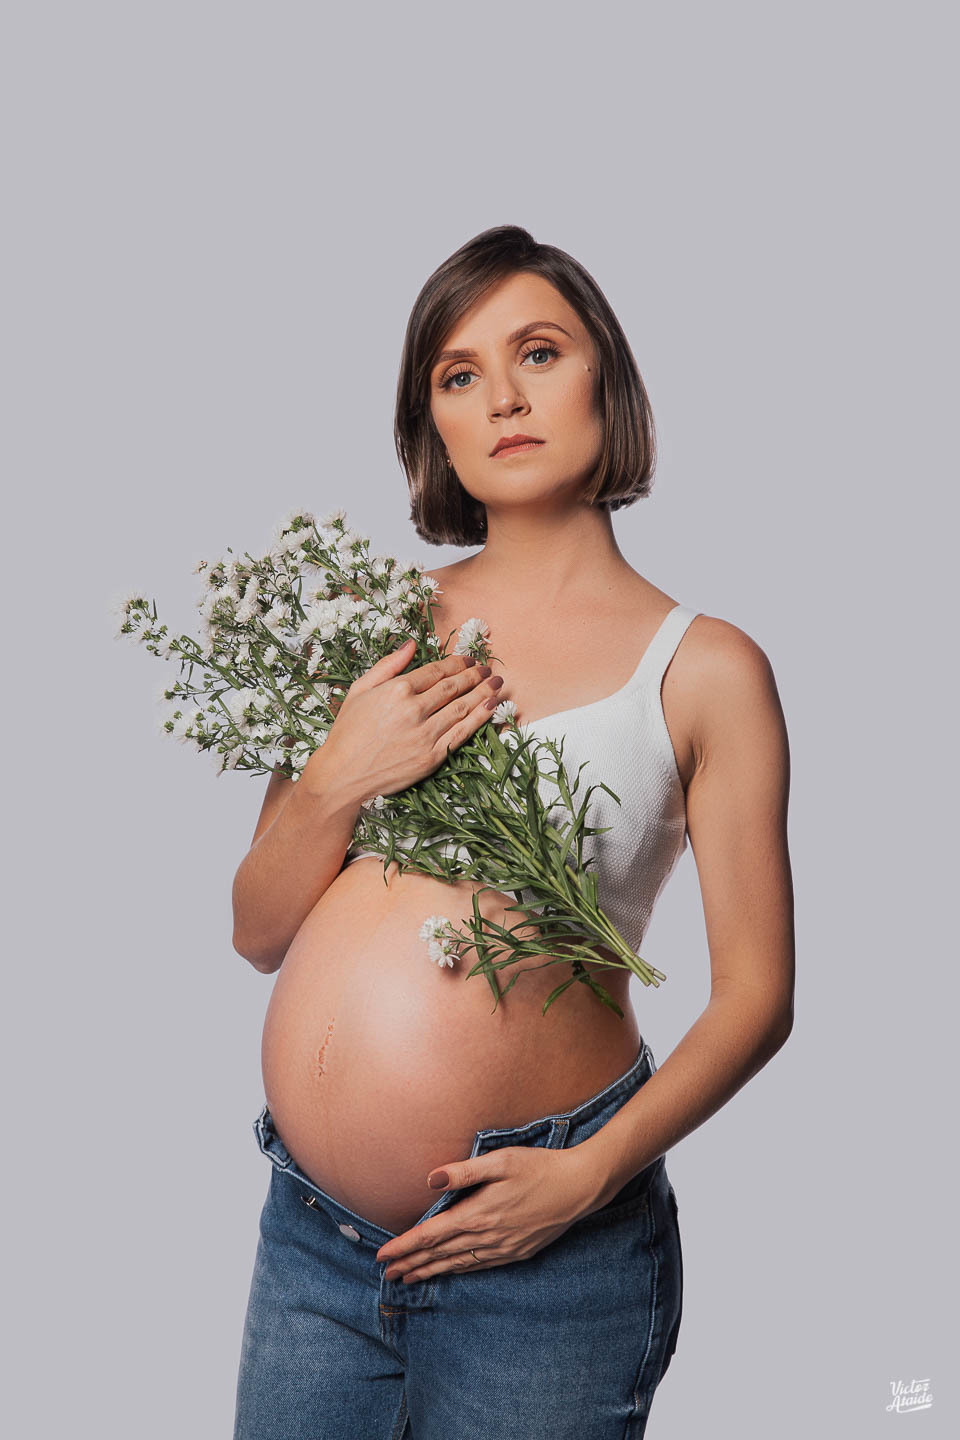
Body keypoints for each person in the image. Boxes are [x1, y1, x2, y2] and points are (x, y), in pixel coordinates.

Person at [230, 225, 795, 1439]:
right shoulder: (369, 624)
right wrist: (340, 775)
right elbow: (258, 930)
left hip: (544, 1265)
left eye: (538, 352)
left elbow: (758, 997)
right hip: (312, 1238)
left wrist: (587, 1176)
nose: (503, 397)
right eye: (459, 373)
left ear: (607, 380)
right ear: (432, 423)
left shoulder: (705, 669)